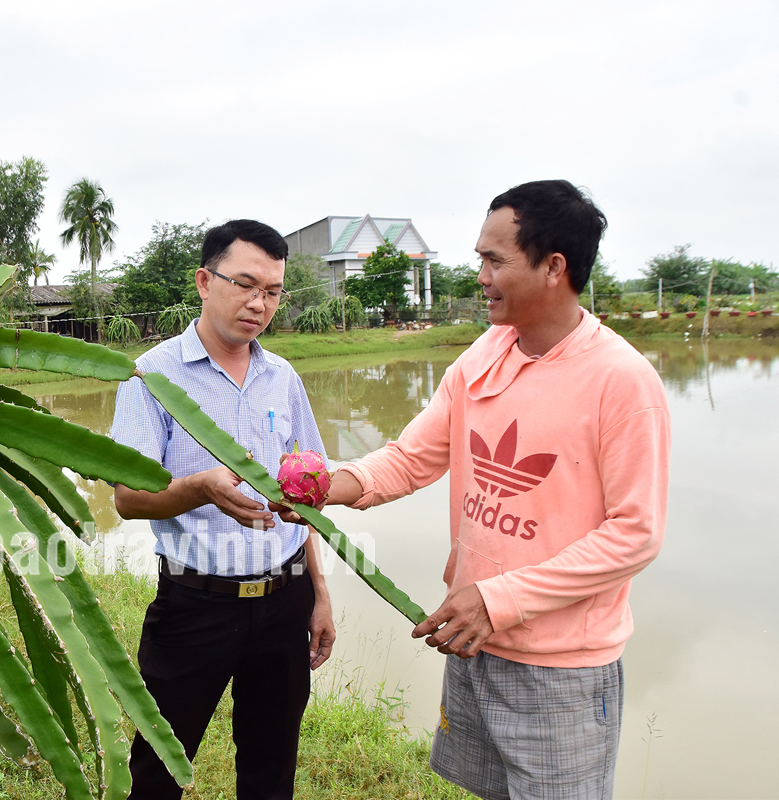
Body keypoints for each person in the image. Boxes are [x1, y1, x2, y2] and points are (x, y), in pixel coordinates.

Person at [312, 181, 669, 799]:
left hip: (559, 668)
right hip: (475, 640)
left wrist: (499, 599)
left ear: (553, 267)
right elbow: (411, 458)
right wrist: (323, 486)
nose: (480, 276)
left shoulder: (621, 381)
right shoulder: (484, 354)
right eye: (480, 258)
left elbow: (635, 535)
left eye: (495, 260)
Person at [110, 219, 336, 800]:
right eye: (245, 284)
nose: (259, 304)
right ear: (205, 281)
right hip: (195, 605)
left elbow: (303, 495)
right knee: (158, 769)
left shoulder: (282, 377)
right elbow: (127, 498)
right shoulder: (150, 376)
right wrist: (201, 488)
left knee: (271, 769)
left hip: (285, 599)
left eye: (274, 291)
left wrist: (319, 592)